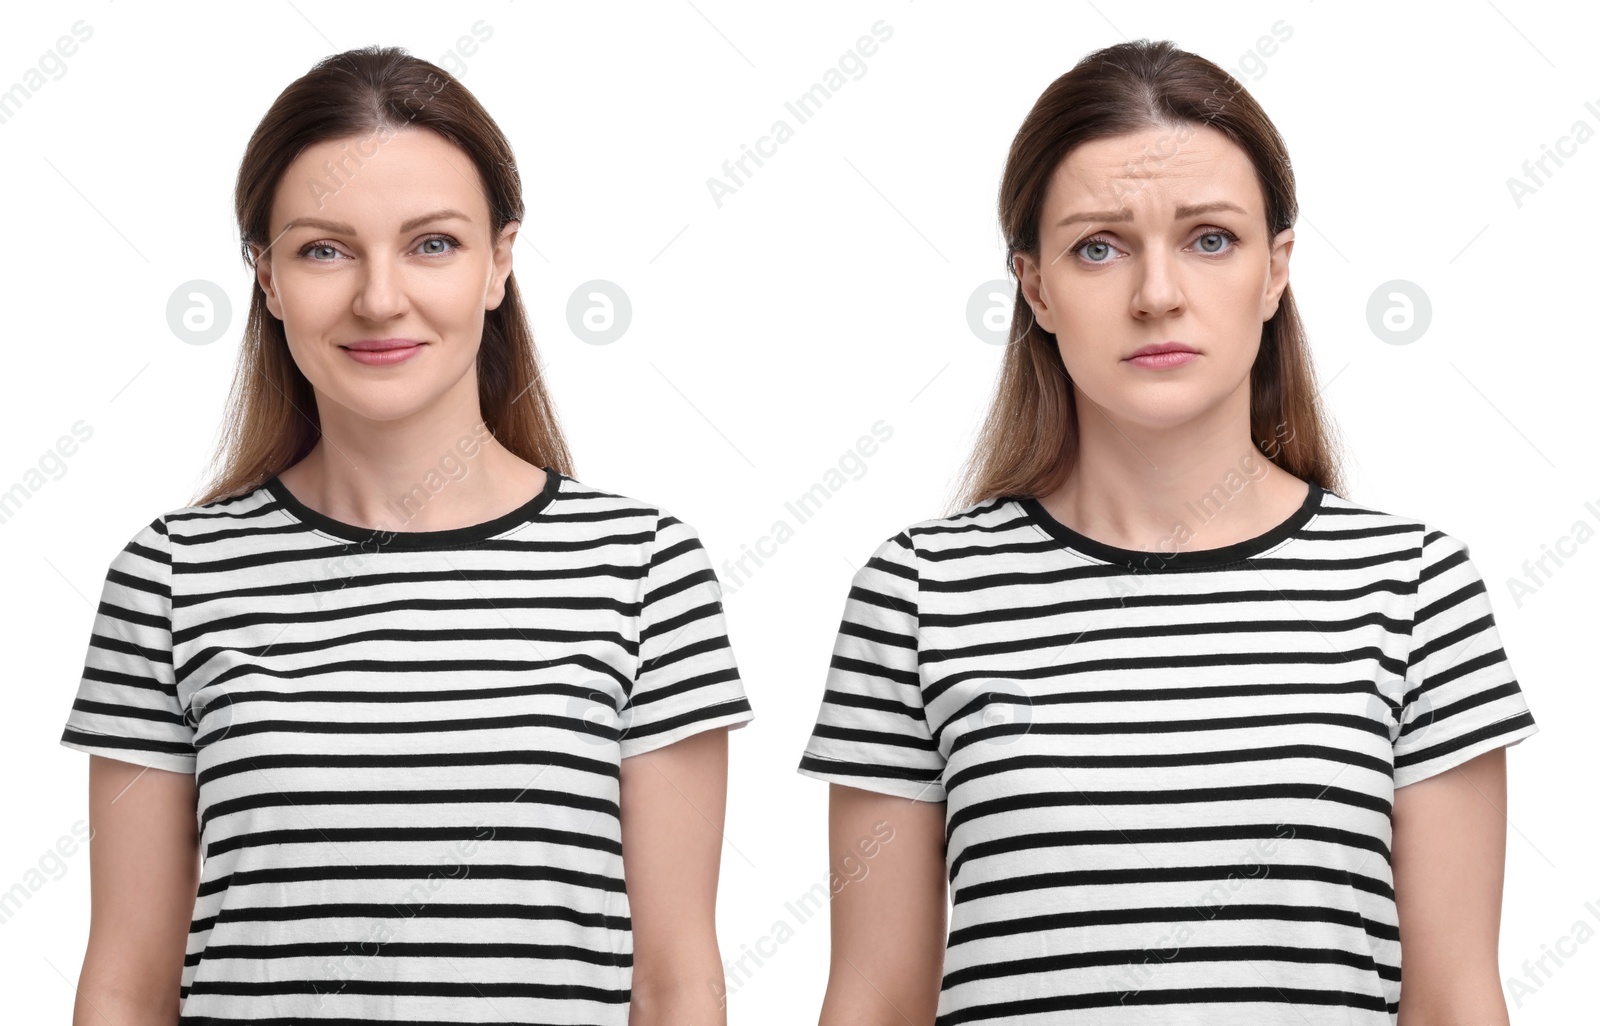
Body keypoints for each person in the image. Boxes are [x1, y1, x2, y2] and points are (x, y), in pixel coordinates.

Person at [798, 38, 1537, 1026]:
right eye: (1098, 246)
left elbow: (1454, 1003)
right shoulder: (919, 596)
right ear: (1035, 286)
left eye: (1209, 239)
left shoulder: (1410, 588)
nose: (1156, 294)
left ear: (1276, 271)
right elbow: (873, 1003)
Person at [59, 46, 753, 1026]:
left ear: (500, 262)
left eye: (431, 244)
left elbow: (677, 982)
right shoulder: (170, 578)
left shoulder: (643, 571)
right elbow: (126, 981)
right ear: (264, 276)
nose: (379, 299)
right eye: (323, 250)